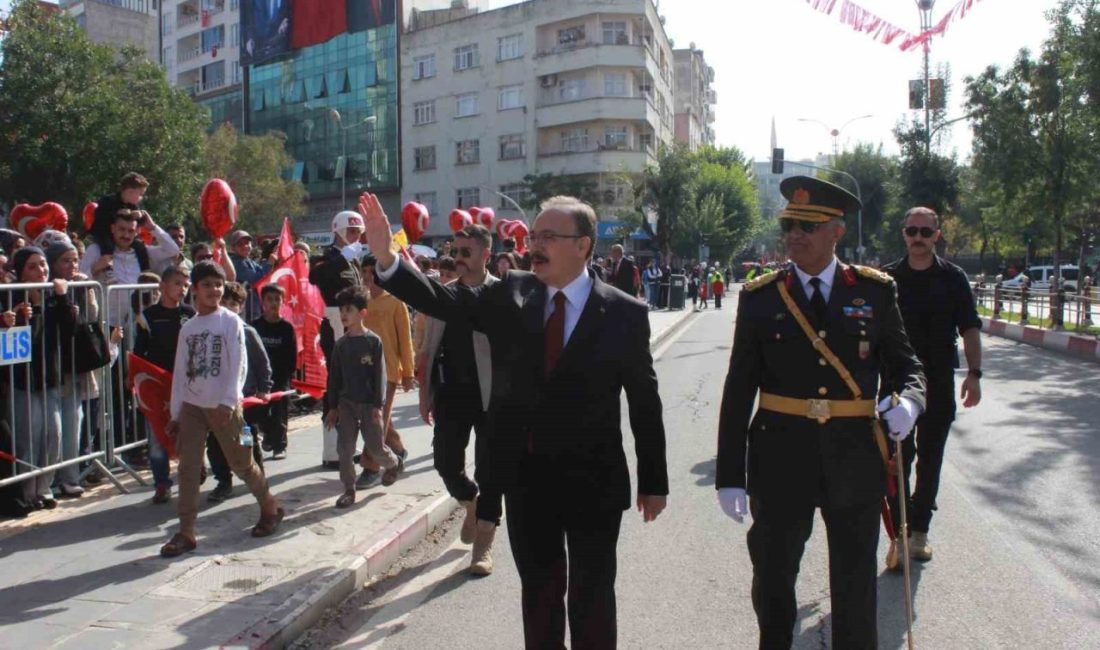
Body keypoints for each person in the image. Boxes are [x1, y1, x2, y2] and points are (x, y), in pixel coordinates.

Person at [360, 192, 668, 650]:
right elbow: (445, 301)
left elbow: (644, 400)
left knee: (593, 595)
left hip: (594, 481)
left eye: (548, 236)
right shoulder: (511, 293)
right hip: (528, 479)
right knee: (540, 595)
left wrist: (654, 480)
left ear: (583, 245)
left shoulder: (624, 312)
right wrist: (388, 259)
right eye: (534, 235)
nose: (534, 245)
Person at [715, 176, 926, 650]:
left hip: (853, 456)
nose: (795, 235)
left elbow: (906, 364)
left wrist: (910, 402)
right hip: (779, 454)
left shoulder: (874, 292)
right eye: (790, 224)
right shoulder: (761, 297)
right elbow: (737, 390)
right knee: (773, 577)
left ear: (837, 231)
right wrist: (730, 474)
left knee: (854, 582)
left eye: (808, 227)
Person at [160, 261, 283, 558]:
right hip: (192, 406)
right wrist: (176, 413)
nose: (214, 290)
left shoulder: (230, 322)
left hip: (226, 407)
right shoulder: (188, 328)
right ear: (195, 289)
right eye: (207, 285)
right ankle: (186, 531)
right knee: (188, 467)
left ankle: (269, 505)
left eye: (218, 285)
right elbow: (180, 372)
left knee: (243, 461)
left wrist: (229, 402)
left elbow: (239, 365)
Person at [881, 206, 983, 565]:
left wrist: (975, 374)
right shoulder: (886, 279)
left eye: (926, 231)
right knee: (896, 460)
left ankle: (920, 531)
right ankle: (899, 533)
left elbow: (969, 328)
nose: (919, 238)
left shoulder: (953, 278)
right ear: (904, 233)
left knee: (930, 459)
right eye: (913, 231)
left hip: (938, 382)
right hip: (894, 385)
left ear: (937, 234)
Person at [417, 225, 501, 575]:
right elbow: (427, 349)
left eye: (466, 253)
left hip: (492, 399)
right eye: (455, 252)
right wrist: (425, 395)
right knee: (445, 463)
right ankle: (471, 501)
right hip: (451, 394)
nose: (458, 259)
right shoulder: (443, 296)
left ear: (486, 255)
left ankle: (482, 547)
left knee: (491, 472)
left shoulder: (502, 295)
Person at [8, 247, 76, 510]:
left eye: (44, 265)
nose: (41, 271)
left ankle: (44, 488)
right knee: (30, 435)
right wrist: (13, 319)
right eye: (33, 266)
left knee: (53, 433)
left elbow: (70, 328)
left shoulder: (53, 295)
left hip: (50, 376)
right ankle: (26, 491)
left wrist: (61, 298)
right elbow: (18, 344)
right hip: (23, 381)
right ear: (21, 271)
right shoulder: (11, 297)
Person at [325, 285, 400, 507]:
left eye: (349, 309)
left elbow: (380, 375)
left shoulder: (373, 342)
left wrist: (378, 406)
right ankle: (349, 489)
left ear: (362, 313)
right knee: (345, 449)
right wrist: (333, 407)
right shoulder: (341, 345)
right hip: (346, 404)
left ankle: (393, 463)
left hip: (369, 405)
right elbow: (334, 379)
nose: (344, 314)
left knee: (376, 447)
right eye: (342, 310)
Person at [134, 266, 195, 503]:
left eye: (186, 284)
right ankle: (161, 483)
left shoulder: (191, 314)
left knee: (189, 433)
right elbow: (139, 353)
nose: (182, 289)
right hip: (157, 386)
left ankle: (190, 475)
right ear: (163, 286)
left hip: (186, 384)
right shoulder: (147, 316)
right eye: (177, 283)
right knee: (157, 437)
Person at [206, 281, 272, 503]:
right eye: (225, 302)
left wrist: (264, 388)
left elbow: (262, 363)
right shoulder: (211, 331)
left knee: (246, 438)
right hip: (216, 400)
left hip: (244, 402)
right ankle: (223, 481)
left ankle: (256, 473)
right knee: (215, 443)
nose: (229, 306)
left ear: (241, 307)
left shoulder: (247, 332)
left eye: (234, 303)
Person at [357, 255, 412, 484]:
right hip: (362, 372)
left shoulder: (396, 302)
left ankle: (371, 466)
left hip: (387, 373)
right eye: (366, 271)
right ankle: (397, 449)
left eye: (374, 271)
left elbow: (405, 340)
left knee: (376, 420)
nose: (369, 276)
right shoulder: (360, 302)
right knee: (376, 419)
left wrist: (408, 373)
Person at [252, 284, 297, 460]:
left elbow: (291, 356)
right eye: (269, 299)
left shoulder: (286, 328)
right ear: (263, 302)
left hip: (280, 378)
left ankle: (280, 445)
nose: (273, 303)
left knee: (280, 412)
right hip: (259, 380)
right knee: (260, 413)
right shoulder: (255, 326)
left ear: (283, 302)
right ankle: (268, 435)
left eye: (277, 299)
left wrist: (286, 377)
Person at [227, 230, 273, 320]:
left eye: (247, 243)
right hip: (246, 310)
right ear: (233, 248)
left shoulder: (249, 261)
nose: (245, 246)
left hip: (255, 306)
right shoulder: (236, 263)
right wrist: (269, 264)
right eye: (240, 244)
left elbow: (263, 272)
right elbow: (256, 279)